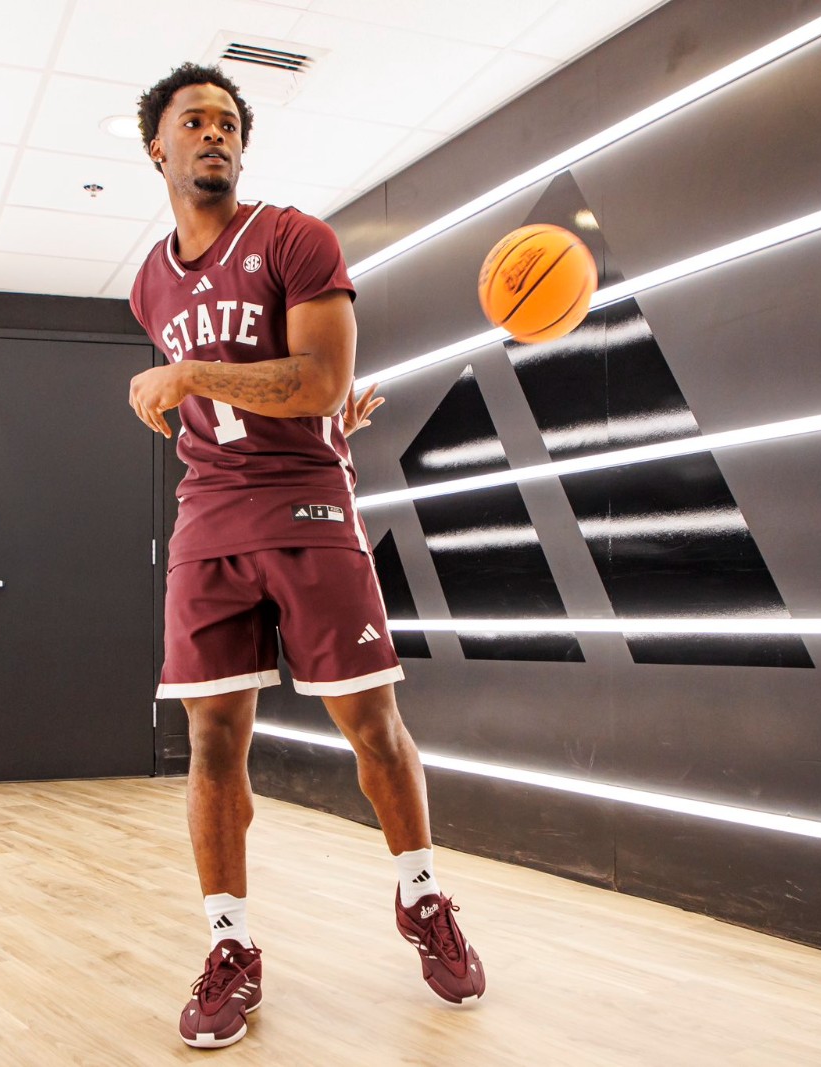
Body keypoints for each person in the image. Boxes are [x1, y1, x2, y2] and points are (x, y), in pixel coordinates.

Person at [126, 63, 485, 1050]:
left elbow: (323, 378)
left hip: (308, 507)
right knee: (210, 740)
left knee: (371, 722)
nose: (214, 134)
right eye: (194, 122)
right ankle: (229, 944)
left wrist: (199, 374)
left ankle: (421, 893)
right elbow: (227, 406)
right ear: (157, 147)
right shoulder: (148, 282)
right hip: (209, 515)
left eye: (228, 123)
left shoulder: (293, 237)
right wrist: (213, 387)